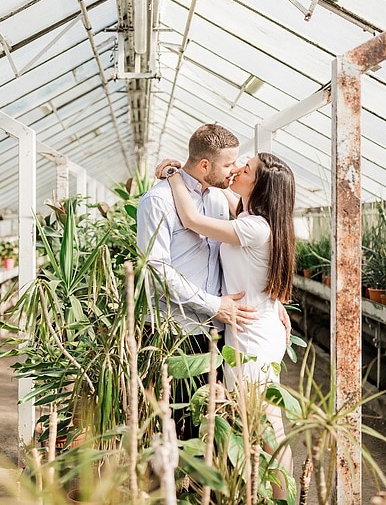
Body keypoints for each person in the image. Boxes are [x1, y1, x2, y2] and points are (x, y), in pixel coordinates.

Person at [158, 151, 296, 500]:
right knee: (253, 421)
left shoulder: (254, 225)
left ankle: (285, 498)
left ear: (260, 184)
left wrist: (174, 174)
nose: (237, 169)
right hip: (254, 324)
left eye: (245, 169)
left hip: (252, 336)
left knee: (268, 426)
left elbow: (191, 219)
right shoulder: (253, 216)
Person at [136, 123, 258, 439]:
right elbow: (156, 271)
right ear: (205, 165)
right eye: (229, 163)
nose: (235, 170)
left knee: (209, 425)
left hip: (215, 331)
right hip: (175, 330)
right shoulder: (158, 200)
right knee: (172, 426)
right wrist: (214, 304)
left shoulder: (220, 201)